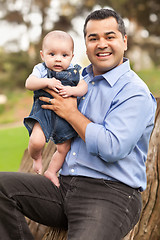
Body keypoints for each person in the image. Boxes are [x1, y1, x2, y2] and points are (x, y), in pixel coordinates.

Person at [0, 8, 157, 240]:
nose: (101, 44)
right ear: (86, 45)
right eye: (93, 38)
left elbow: (112, 148)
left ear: (124, 41)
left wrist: (71, 113)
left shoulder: (135, 92)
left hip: (110, 195)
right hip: (63, 186)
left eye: (110, 36)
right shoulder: (77, 78)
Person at [23, 30, 88, 187]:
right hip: (44, 112)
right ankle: (36, 157)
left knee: (64, 148)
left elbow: (83, 87)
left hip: (65, 117)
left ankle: (51, 171)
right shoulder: (41, 70)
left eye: (64, 55)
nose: (58, 59)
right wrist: (46, 82)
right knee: (37, 141)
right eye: (52, 54)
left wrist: (72, 91)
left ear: (72, 56)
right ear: (43, 55)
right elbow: (29, 83)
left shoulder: (75, 71)